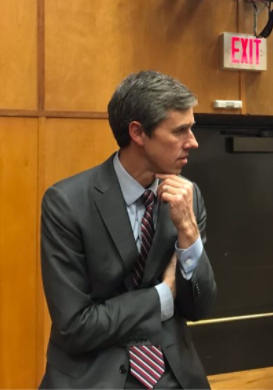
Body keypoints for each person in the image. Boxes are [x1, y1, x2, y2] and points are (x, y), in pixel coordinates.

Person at [40, 71, 217, 389]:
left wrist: (189, 234)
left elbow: (200, 308)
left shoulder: (187, 196)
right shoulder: (66, 203)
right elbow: (75, 326)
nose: (193, 142)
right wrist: (164, 295)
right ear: (137, 132)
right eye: (180, 130)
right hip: (94, 375)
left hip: (172, 373)